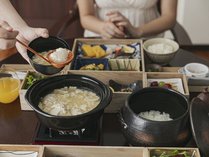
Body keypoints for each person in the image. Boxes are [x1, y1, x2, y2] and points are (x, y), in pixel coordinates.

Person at [77, 0, 178, 39]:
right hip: (100, 39)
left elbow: (169, 17)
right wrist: (102, 27)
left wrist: (138, 31)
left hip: (148, 41)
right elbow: (86, 16)